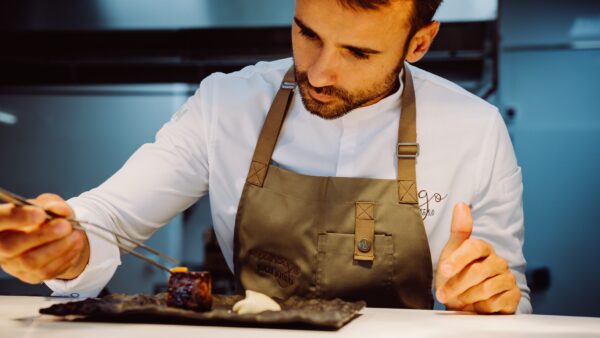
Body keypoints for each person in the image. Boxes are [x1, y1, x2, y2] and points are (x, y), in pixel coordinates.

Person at [0, 0, 531, 314]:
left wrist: (488, 300)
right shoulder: (226, 103)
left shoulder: (475, 130)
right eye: (307, 33)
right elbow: (109, 218)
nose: (319, 74)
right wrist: (66, 249)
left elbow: (513, 299)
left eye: (359, 53)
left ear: (419, 43)